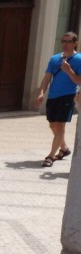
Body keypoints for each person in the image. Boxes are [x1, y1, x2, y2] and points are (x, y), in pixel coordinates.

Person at [35, 31, 81, 167]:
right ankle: (64, 149)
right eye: (63, 41)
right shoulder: (54, 59)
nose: (65, 44)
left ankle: (50, 156)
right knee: (52, 125)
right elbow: (47, 78)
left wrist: (69, 70)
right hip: (53, 96)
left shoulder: (79, 59)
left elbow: (79, 81)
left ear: (75, 43)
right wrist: (41, 93)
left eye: (68, 41)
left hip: (68, 96)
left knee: (60, 125)